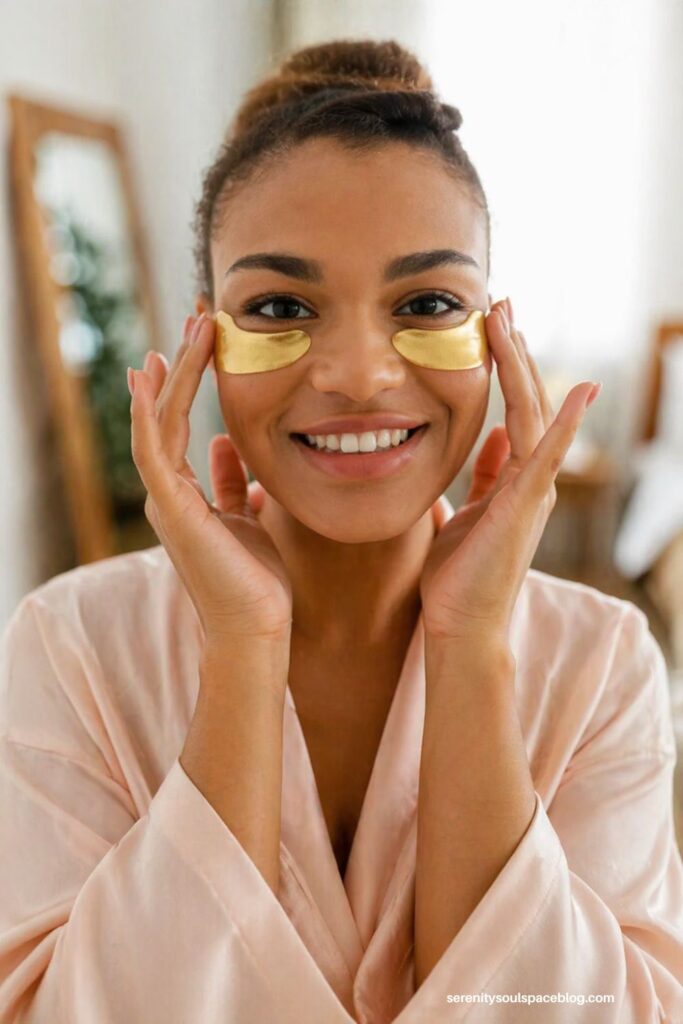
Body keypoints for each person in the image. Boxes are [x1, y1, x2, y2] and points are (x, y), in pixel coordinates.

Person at [1, 37, 682, 1024]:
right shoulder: (69, 647)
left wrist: (470, 644)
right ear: (206, 347)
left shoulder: (603, 664)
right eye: (279, 305)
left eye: (425, 303)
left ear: (495, 338)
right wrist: (239, 653)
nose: (358, 370)